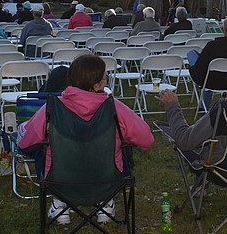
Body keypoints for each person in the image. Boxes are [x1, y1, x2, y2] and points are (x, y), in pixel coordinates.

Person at [16, 54, 154, 225]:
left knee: (43, 147)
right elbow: (147, 140)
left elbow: (25, 142)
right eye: (105, 78)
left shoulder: (53, 108)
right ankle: (105, 204)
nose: (106, 81)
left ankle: (60, 205)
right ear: (96, 85)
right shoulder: (114, 108)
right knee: (124, 147)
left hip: (61, 180)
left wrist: (21, 128)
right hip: (106, 179)